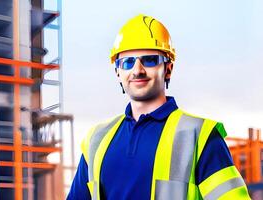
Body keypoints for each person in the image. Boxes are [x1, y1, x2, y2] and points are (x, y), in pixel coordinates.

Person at [67, 14, 251, 200]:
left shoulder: (199, 136)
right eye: (128, 62)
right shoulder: (96, 140)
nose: (137, 70)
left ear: (168, 68)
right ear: (117, 72)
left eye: (149, 60)